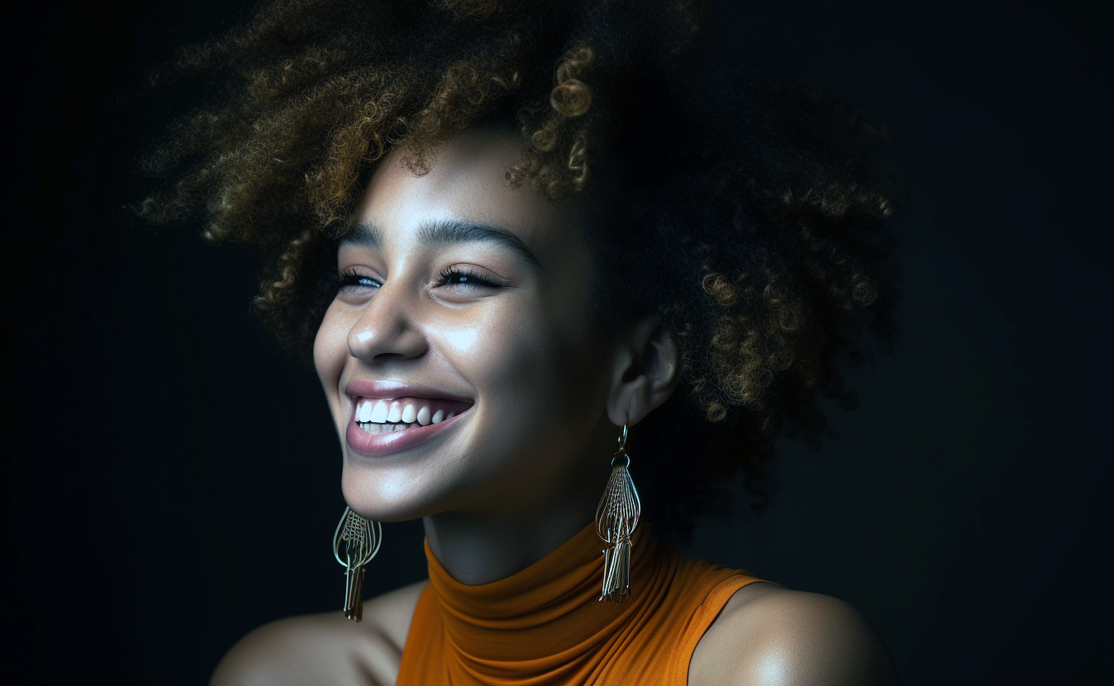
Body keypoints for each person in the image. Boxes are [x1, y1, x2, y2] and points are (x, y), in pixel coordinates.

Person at [140, 1, 902, 684]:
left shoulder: (773, 663)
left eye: (463, 277)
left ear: (638, 367)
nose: (371, 332)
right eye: (360, 278)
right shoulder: (290, 675)